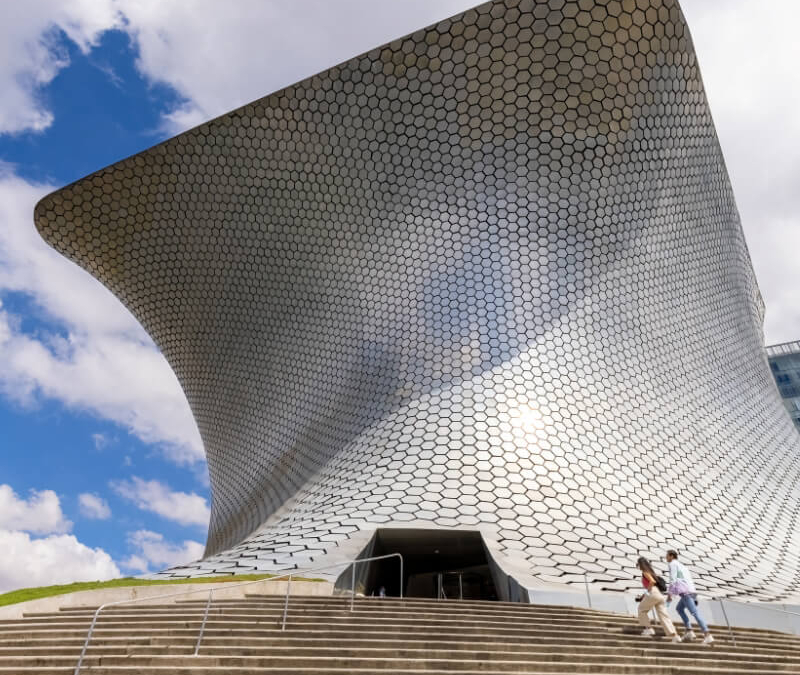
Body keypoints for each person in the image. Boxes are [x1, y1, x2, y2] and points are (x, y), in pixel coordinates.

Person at [665, 549, 714, 645]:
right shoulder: (683, 566)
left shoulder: (672, 564)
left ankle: (707, 635)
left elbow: (673, 579)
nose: (666, 557)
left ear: (671, 556)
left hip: (686, 593)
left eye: (667, 555)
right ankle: (689, 630)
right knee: (679, 608)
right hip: (691, 591)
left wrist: (670, 594)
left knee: (695, 613)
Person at [635, 557, 680, 642]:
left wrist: (647, 592)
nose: (638, 566)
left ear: (641, 564)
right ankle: (675, 635)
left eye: (638, 564)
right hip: (660, 595)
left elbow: (652, 582)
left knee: (641, 609)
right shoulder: (652, 572)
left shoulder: (645, 572)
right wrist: (643, 596)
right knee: (664, 616)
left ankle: (648, 628)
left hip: (653, 593)